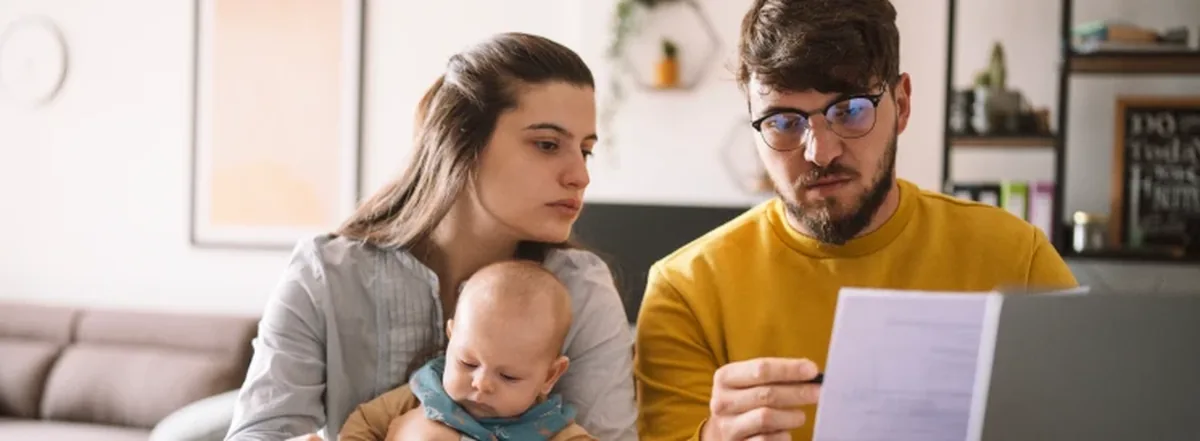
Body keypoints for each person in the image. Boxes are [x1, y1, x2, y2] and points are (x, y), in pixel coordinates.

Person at [633, 1, 1078, 440]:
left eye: (848, 111)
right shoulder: (685, 291)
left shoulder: (1017, 258)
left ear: (901, 104)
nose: (819, 152)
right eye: (783, 122)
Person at [224, 32, 637, 441]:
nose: (580, 176)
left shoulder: (582, 290)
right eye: (547, 144)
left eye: (585, 150)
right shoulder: (324, 276)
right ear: (460, 141)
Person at [338, 260, 595, 441]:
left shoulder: (554, 431)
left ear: (550, 376)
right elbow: (364, 423)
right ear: (451, 340)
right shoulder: (423, 393)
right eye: (468, 363)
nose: (481, 384)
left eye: (508, 376)